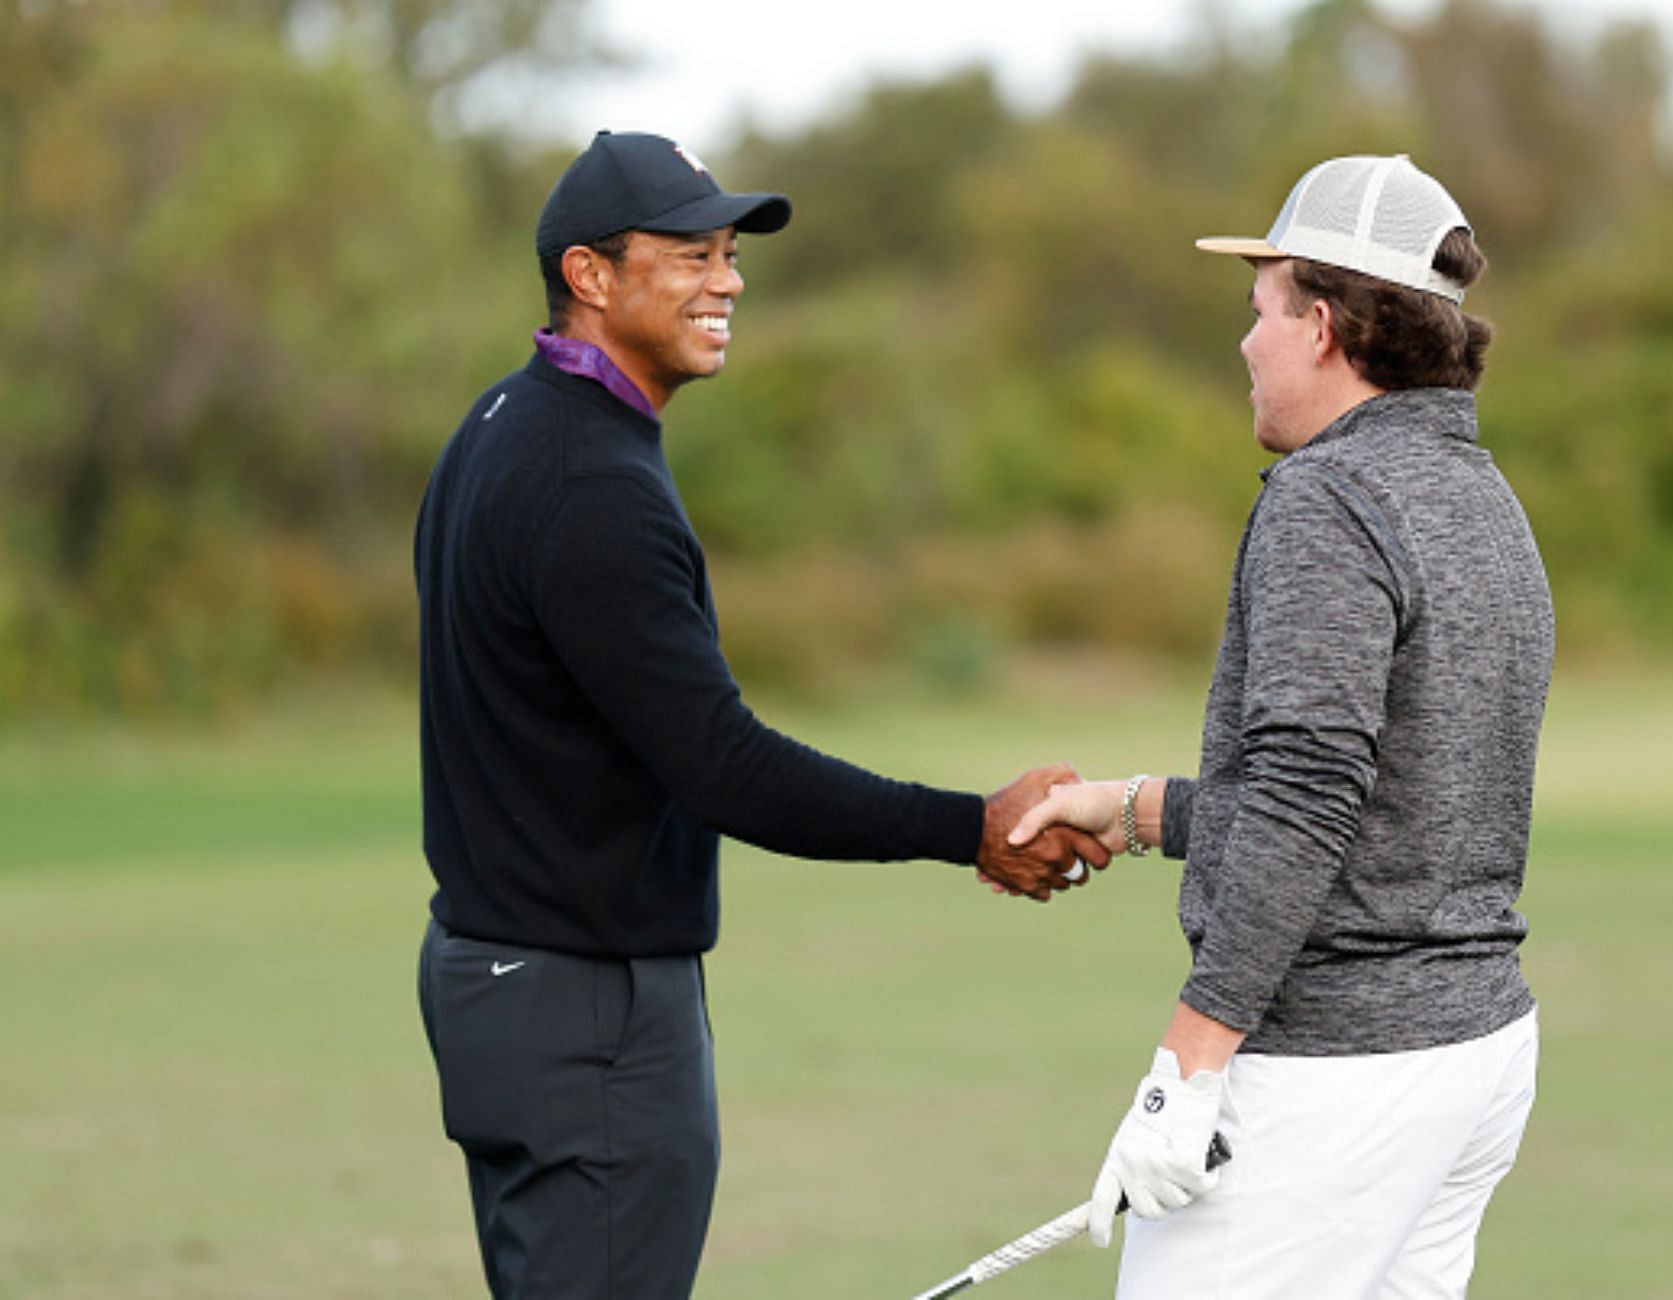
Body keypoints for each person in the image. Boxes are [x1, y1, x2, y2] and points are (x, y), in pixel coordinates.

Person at [412, 130, 1104, 1300]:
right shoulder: (591, 481)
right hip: (586, 1013)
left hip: (503, 985)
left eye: (729, 254)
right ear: (591, 275)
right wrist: (969, 825)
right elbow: (724, 765)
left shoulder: (501, 423)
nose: (728, 280)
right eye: (691, 254)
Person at [1009, 154, 1555, 1299]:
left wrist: (1184, 1069)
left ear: (1321, 325)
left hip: (1336, 1078)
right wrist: (1139, 805)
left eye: (1258, 312)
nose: (1244, 344)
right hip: (1474, 1055)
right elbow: (1388, 797)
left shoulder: (1329, 498)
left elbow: (1312, 800)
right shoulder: (1482, 493)